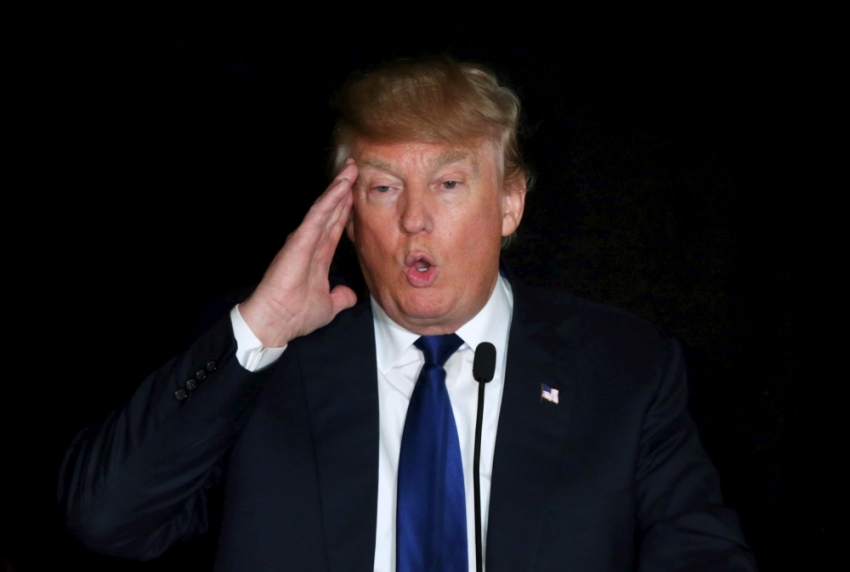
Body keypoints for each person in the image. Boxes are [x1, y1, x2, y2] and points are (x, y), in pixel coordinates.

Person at [59, 57, 757, 571]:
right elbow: (107, 519)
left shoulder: (626, 368)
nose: (415, 219)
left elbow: (703, 556)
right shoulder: (263, 364)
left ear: (509, 203)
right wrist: (262, 329)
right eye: (384, 188)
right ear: (345, 212)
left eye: (448, 184)